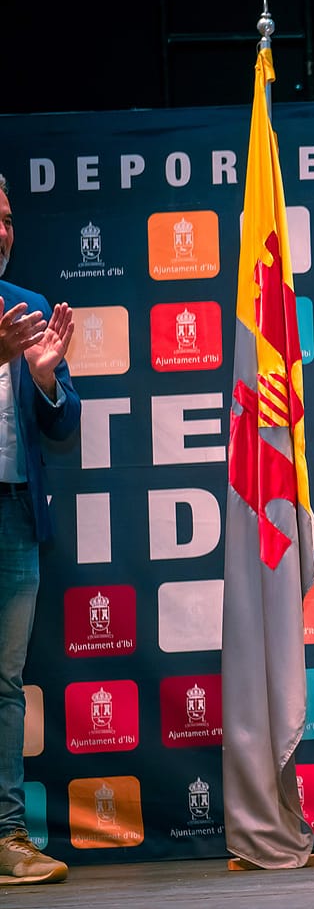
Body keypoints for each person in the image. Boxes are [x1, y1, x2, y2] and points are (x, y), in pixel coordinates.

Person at [0, 174, 81, 888]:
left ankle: (7, 837)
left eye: (6, 218)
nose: (2, 231)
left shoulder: (27, 307)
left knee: (4, 681)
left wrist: (49, 379)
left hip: (14, 514)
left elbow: (62, 423)